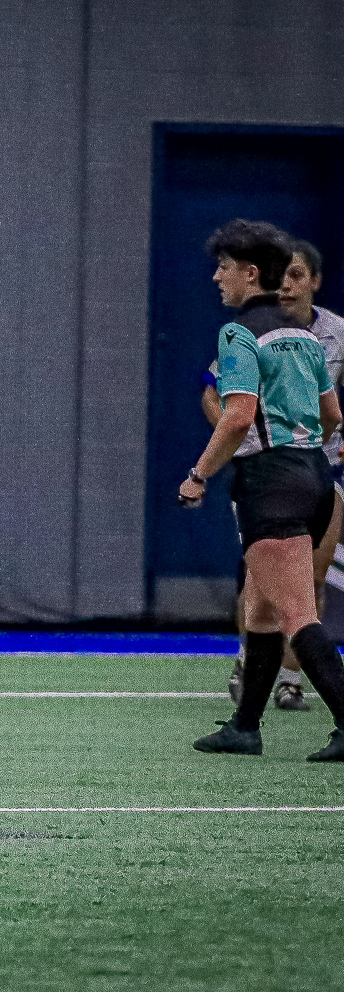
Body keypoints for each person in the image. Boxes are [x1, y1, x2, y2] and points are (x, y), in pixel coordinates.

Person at [180, 220, 344, 760]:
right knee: (262, 612)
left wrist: (199, 474)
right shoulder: (305, 335)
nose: (216, 277)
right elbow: (331, 414)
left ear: (250, 274)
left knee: (297, 614)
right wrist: (304, 451)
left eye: (224, 267)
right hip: (316, 478)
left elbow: (237, 417)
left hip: (272, 485)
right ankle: (245, 725)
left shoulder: (238, 334)